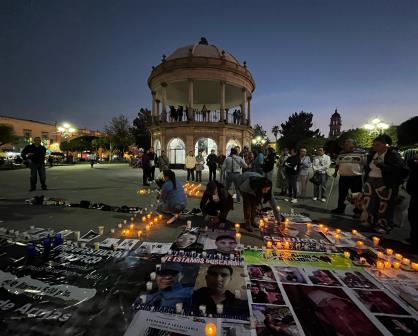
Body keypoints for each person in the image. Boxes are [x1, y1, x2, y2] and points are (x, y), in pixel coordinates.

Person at [364, 135, 407, 234]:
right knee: (371, 203)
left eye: (377, 145)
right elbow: (368, 167)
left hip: (385, 183)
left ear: (385, 146)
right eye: (374, 145)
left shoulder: (393, 155)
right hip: (371, 182)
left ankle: (383, 225)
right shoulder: (372, 154)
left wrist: (381, 165)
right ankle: (371, 221)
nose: (374, 147)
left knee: (385, 204)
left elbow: (398, 169)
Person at [331, 139, 366, 215]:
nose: (345, 145)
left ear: (354, 145)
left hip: (356, 177)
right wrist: (335, 172)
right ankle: (340, 209)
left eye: (348, 144)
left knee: (356, 195)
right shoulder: (341, 153)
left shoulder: (361, 153)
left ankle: (358, 211)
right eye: (345, 144)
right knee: (342, 194)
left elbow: (365, 164)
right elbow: (337, 164)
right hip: (343, 177)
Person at [406, 153, 418, 246]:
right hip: (414, 191)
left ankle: (414, 239)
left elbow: (411, 164)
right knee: (412, 214)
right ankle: (413, 238)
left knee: (414, 215)